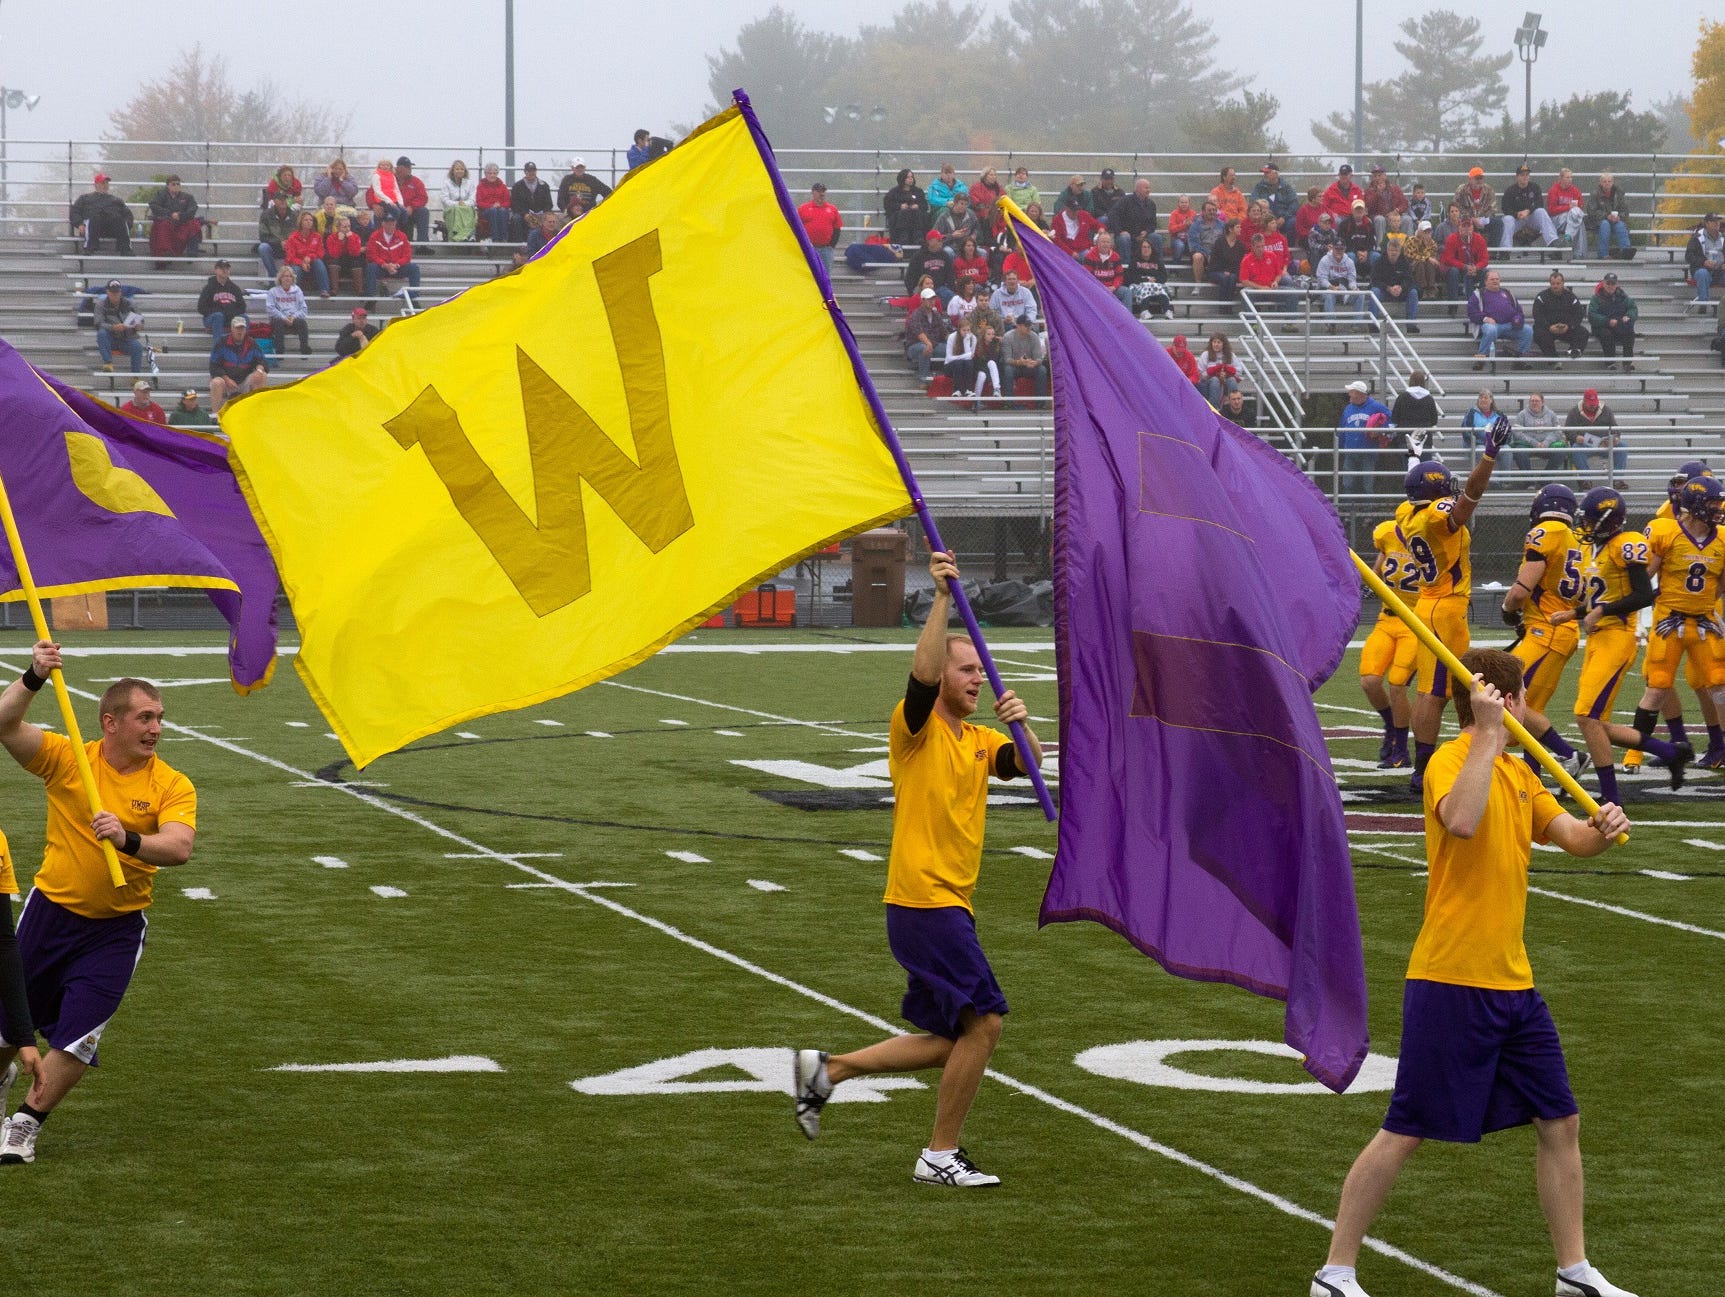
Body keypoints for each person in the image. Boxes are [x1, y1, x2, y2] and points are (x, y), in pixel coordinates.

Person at [1311, 648, 1635, 1297]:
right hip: (1450, 978)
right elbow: (1459, 820)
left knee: (1558, 1119)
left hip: (1512, 983)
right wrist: (1487, 734)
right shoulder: (1452, 763)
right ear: (1499, 701)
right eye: (1521, 701)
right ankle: (1334, 1270)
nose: (1527, 714)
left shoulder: (1518, 772)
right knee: (1406, 1129)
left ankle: (1573, 1272)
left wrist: (1602, 826)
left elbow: (1570, 836)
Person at [792, 551, 1041, 1188]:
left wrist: (1024, 724)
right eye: (966, 671)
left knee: (950, 1038)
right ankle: (938, 1155)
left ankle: (829, 1071)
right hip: (923, 901)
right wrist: (939, 599)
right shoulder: (917, 729)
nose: (974, 681)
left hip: (946, 904)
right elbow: (922, 677)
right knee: (986, 1023)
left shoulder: (979, 739)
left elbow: (1030, 767)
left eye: (978, 673)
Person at [0, 643, 198, 1167]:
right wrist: (35, 675)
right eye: (145, 716)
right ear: (111, 722)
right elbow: (3, 724)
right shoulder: (69, 759)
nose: (156, 728)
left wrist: (128, 838)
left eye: (159, 717)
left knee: (79, 1036)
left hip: (115, 930)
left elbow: (178, 847)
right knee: (8, 1026)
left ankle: (24, 1123)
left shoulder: (171, 784)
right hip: (49, 914)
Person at [1400, 428, 1511, 795]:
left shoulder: (1407, 512)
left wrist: (1414, 458)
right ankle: (1423, 769)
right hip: (1445, 608)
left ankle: (1423, 764)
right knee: (1435, 693)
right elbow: (1470, 497)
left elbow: (1420, 488)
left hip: (1429, 605)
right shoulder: (1435, 515)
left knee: (1432, 691)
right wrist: (1489, 456)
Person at [1570, 487, 1687, 803]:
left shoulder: (1628, 544)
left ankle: (1611, 797)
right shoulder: (1597, 548)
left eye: (1592, 520)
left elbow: (1643, 595)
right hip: (1598, 638)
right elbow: (1602, 596)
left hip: (1617, 639)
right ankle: (1671, 752)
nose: (1586, 526)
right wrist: (1572, 612)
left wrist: (1601, 611)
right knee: (1596, 722)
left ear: (1608, 520)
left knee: (1585, 717)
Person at [1629, 475, 1725, 782]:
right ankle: (1634, 751)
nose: (1718, 509)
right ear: (1696, 504)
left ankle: (1721, 746)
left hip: (1704, 622)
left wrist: (1706, 606)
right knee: (1657, 686)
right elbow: (1645, 579)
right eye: (1712, 503)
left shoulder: (1722, 536)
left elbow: (1721, 583)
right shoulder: (1666, 532)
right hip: (1670, 621)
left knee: (1720, 685)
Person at [1500, 485, 1591, 775]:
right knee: (1529, 708)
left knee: (1506, 699)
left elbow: (1520, 591)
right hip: (1563, 632)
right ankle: (1532, 778)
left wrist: (1507, 610)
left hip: (1545, 632)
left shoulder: (1546, 533)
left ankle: (1570, 755)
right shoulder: (1579, 540)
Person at [1361, 517, 1421, 768]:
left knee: (1397, 685)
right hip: (1387, 619)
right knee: (1370, 680)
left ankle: (1401, 748)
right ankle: (1390, 725)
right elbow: (1378, 570)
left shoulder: (1433, 539)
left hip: (1416, 624)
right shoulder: (1387, 533)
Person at [1468, 270, 1533, 369]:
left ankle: (1520, 359)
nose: (1495, 281)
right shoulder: (1478, 294)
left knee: (1527, 330)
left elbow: (1519, 312)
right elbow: (1472, 313)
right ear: (1485, 282)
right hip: (1492, 325)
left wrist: (1517, 319)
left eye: (1497, 279)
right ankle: (1480, 359)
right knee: (1490, 330)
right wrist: (1485, 318)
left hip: (1509, 326)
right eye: (1492, 279)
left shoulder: (1508, 293)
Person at [1337, 380, 1391, 497]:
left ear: (1359, 394)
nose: (1349, 395)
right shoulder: (1348, 408)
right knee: (1347, 484)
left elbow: (1391, 421)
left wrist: (1380, 431)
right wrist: (1340, 447)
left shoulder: (1376, 406)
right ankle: (1348, 512)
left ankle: (1368, 512)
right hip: (1350, 451)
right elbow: (1342, 428)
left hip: (1368, 451)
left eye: (1351, 392)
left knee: (1368, 484)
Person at [208, 316, 268, 411]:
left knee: (262, 375)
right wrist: (226, 379)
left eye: (242, 328)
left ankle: (258, 410)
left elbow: (262, 360)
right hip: (226, 382)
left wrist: (259, 369)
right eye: (237, 328)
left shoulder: (252, 343)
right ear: (232, 328)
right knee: (216, 382)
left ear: (246, 329)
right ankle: (215, 414)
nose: (240, 331)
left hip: (244, 381)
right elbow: (213, 366)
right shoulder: (221, 343)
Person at [1565, 389, 1622, 488]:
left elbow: (1615, 429)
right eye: (1590, 404)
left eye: (1594, 403)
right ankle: (1586, 480)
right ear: (1584, 401)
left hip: (1604, 444)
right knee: (1576, 448)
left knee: (1622, 446)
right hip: (1585, 444)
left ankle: (1617, 480)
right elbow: (1568, 431)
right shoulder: (1574, 412)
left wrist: (1615, 438)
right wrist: (1576, 437)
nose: (1593, 406)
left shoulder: (1606, 410)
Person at [69, 174, 132, 254]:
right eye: (102, 183)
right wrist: (79, 224)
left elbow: (128, 214)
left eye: (106, 183)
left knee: (119, 219)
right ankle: (89, 247)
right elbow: (74, 211)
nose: (105, 185)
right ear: (95, 185)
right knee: (94, 219)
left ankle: (125, 249)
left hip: (111, 229)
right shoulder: (84, 198)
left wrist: (127, 224)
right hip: (93, 228)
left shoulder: (116, 200)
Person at [1532, 271, 1589, 359]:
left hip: (1566, 329)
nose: (1555, 286)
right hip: (1548, 329)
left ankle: (1573, 352)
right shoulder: (1541, 297)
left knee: (1583, 332)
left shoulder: (1570, 296)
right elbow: (1537, 315)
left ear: (1563, 283)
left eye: (1558, 283)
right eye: (1553, 283)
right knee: (1538, 334)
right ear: (1550, 284)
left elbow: (1579, 313)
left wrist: (1569, 326)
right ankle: (1554, 359)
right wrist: (1548, 327)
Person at [92, 280, 145, 374]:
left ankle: (136, 375)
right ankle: (108, 362)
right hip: (110, 338)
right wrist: (113, 327)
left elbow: (140, 319)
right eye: (112, 292)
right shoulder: (100, 304)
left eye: (117, 292)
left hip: (127, 338)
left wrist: (139, 326)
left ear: (120, 292)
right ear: (107, 292)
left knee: (137, 347)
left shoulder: (130, 304)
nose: (115, 295)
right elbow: (98, 323)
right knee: (102, 333)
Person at [1500, 164, 1558, 248]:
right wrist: (1517, 214)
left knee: (1541, 212)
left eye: (1527, 175)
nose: (1525, 177)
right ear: (1517, 176)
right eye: (1522, 175)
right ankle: (1505, 249)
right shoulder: (1510, 190)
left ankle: (1552, 243)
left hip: (1531, 218)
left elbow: (1540, 203)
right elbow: (1505, 208)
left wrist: (1528, 211)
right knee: (1507, 219)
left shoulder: (1535, 187)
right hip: (1517, 220)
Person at [1588, 272, 1637, 370]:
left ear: (1616, 284)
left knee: (1630, 333)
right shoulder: (1596, 298)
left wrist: (1628, 316)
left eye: (1613, 284)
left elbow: (1633, 309)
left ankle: (1627, 362)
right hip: (1602, 326)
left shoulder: (1623, 297)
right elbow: (1592, 315)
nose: (1610, 286)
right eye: (1608, 283)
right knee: (1606, 334)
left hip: (1618, 324)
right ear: (1603, 283)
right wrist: (1607, 321)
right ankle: (1610, 362)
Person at [146, 175, 201, 262]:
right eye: (173, 184)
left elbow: (192, 210)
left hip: (181, 223)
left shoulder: (188, 197)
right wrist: (170, 214)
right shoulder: (161, 195)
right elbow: (154, 206)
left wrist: (180, 215)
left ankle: (192, 253)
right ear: (168, 186)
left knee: (193, 224)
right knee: (162, 225)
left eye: (178, 184)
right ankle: (164, 253)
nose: (176, 186)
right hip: (167, 222)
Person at [364, 213, 421, 296]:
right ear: (383, 223)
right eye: (388, 224)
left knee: (414, 268)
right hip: (381, 268)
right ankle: (370, 296)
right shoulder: (375, 236)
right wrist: (384, 265)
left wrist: (396, 265)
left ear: (395, 223)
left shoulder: (402, 236)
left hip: (397, 268)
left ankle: (414, 294)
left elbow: (407, 256)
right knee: (371, 268)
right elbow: (371, 255)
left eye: (392, 224)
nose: (390, 226)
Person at [1369, 239, 1419, 331]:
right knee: (1374, 291)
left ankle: (1411, 325)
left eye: (1396, 251)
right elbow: (1375, 280)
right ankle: (1373, 324)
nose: (1393, 253)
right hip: (1384, 292)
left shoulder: (1405, 262)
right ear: (1387, 250)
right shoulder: (1379, 262)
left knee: (1413, 292)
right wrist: (1388, 288)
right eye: (1391, 250)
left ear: (1400, 252)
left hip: (1400, 292)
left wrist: (1401, 288)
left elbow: (1409, 279)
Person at [1105, 178, 1160, 260]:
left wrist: (1147, 232)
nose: (1148, 190)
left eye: (1149, 188)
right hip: (1127, 236)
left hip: (1143, 237)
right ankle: (1126, 269)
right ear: (1138, 189)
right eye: (1146, 188)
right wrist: (1120, 231)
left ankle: (1157, 268)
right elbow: (1113, 215)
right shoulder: (1125, 200)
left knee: (1156, 237)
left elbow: (1153, 223)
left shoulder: (1151, 204)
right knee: (1124, 239)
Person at [903, 289, 949, 385]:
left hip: (934, 345)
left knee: (952, 349)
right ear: (922, 300)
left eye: (933, 299)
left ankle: (948, 380)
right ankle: (923, 380)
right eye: (929, 299)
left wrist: (953, 343)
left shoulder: (936, 315)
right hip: (915, 346)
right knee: (924, 348)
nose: (932, 301)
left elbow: (944, 332)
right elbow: (919, 332)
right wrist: (928, 343)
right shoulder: (916, 315)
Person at [1390, 372, 1439, 464]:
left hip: (1406, 439)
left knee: (1409, 468)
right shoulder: (1429, 398)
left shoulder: (1402, 397)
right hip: (1424, 439)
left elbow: (1394, 418)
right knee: (1424, 469)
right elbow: (1434, 420)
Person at [795, 182, 843, 274]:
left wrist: (831, 245)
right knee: (808, 274)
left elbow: (837, 228)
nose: (822, 194)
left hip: (825, 249)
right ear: (813, 192)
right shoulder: (803, 209)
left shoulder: (832, 209)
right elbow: (796, 227)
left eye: (823, 191)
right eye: (819, 191)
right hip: (808, 248)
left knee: (825, 275)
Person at [1440, 214, 1489, 301]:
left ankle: (1482, 300)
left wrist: (1476, 267)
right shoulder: (1452, 239)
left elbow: (1485, 259)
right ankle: (1453, 304)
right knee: (1453, 272)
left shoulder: (1479, 239)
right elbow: (1448, 259)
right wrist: (1464, 266)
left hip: (1474, 269)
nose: (1467, 229)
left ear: (1472, 228)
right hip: (1458, 270)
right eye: (1464, 226)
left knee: (1486, 272)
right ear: (1459, 227)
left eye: (1469, 226)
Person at [264, 267, 311, 357]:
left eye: (290, 276)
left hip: (293, 317)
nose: (287, 278)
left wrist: (293, 317)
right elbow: (270, 308)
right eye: (285, 276)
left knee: (302, 323)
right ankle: (280, 350)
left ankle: (304, 348)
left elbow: (304, 308)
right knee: (278, 323)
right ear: (280, 278)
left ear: (293, 278)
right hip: (279, 318)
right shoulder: (273, 291)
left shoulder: (297, 291)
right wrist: (283, 317)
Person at [1514, 393, 1567, 473]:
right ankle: (1529, 482)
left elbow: (1558, 431)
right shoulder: (1522, 414)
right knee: (1519, 451)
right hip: (1528, 445)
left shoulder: (1551, 414)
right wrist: (1534, 443)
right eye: (1532, 401)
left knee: (1561, 452)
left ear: (1542, 402)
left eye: (1537, 401)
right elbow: (1517, 433)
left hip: (1547, 445)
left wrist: (1546, 442)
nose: (1534, 403)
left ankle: (1544, 481)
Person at [283, 211, 330, 297]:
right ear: (301, 222)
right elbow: (290, 257)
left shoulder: (317, 236)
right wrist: (302, 263)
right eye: (306, 220)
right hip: (296, 264)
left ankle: (324, 290)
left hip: (312, 264)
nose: (309, 222)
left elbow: (321, 253)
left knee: (318, 262)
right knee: (296, 270)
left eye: (311, 220)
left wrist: (310, 257)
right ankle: (292, 293)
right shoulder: (293, 237)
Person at [1587, 171, 1631, 261]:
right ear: (1600, 183)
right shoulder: (1595, 194)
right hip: (1599, 221)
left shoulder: (1619, 193)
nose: (1607, 183)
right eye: (1604, 181)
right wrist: (1607, 216)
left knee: (1620, 225)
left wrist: (1619, 217)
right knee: (1605, 225)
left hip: (1615, 220)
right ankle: (1603, 254)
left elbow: (1625, 210)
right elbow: (1591, 212)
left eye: (1609, 181)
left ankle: (1626, 252)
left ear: (1613, 182)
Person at [1079, 231, 1130, 309]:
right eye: (1103, 242)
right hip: (1096, 289)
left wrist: (1114, 287)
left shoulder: (1116, 256)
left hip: (1112, 288)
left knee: (1126, 292)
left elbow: (1119, 276)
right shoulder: (1089, 256)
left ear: (1111, 244)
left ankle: (1127, 319)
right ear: (1097, 243)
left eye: (1107, 242)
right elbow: (1087, 277)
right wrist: (1100, 288)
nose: (1105, 244)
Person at [1316, 242, 1361, 328]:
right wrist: (1331, 287)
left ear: (1344, 249)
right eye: (1336, 249)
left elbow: (1352, 280)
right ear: (1332, 248)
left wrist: (1354, 288)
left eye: (1341, 249)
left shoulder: (1349, 262)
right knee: (1330, 294)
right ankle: (1331, 324)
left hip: (1344, 290)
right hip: (1326, 289)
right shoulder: (1324, 260)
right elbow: (1321, 279)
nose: (1339, 251)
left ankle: (1357, 325)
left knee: (1360, 294)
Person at [1455, 166, 1503, 246]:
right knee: (1462, 224)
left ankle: (1492, 252)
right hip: (1467, 220)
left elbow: (1493, 208)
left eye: (1481, 178)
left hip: (1483, 220)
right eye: (1477, 178)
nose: (1479, 181)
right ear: (1470, 179)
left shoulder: (1488, 190)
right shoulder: (1461, 190)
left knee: (1498, 223)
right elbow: (1457, 207)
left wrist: (1482, 220)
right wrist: (1472, 219)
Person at [1003, 313, 1047, 399]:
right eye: (1026, 325)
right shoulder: (1008, 337)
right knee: (1007, 369)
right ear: (1018, 326)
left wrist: (1035, 363)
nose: (1029, 327)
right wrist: (1019, 362)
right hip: (1014, 366)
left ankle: (1040, 403)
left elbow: (1039, 358)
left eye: (1030, 325)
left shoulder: (1034, 336)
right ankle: (1008, 403)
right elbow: (1006, 359)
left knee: (1042, 370)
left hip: (1029, 366)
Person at [1685, 212, 1724, 304]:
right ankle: (1703, 303)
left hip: (1720, 271)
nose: (1717, 223)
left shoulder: (1723, 238)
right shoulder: (1697, 238)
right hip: (1701, 269)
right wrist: (1704, 262)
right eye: (1713, 221)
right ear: (1706, 223)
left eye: (1718, 221)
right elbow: (1689, 256)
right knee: (1703, 274)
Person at [1361, 165, 1407, 242]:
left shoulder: (1395, 188)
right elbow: (1368, 207)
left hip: (1394, 216)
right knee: (1380, 219)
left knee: (1407, 219)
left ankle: (1406, 246)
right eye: (1375, 176)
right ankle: (1381, 246)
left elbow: (1404, 203)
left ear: (1385, 176)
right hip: (1378, 216)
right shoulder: (1369, 191)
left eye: (1380, 175)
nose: (1377, 178)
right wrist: (1378, 194)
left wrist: (1396, 211)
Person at [257, 191, 296, 280]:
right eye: (280, 199)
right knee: (263, 247)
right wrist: (279, 243)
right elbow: (263, 236)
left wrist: (289, 243)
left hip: (291, 247)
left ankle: (293, 282)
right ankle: (275, 279)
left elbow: (299, 234)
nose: (283, 201)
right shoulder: (266, 215)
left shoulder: (294, 215)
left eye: (285, 199)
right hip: (274, 247)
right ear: (274, 201)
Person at [1547, 168, 1588, 254]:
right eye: (1567, 177)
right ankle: (1579, 253)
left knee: (1577, 217)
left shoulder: (1575, 191)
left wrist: (1573, 209)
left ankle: (1568, 237)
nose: (1570, 179)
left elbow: (1580, 207)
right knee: (1577, 220)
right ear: (1561, 178)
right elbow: (1551, 210)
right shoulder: (1554, 190)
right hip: (1557, 220)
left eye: (1571, 177)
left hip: (1570, 220)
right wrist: (1568, 207)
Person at [509, 162, 553, 240]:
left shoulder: (544, 185)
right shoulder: (517, 186)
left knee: (551, 219)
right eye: (529, 171)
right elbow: (514, 204)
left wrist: (541, 214)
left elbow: (549, 204)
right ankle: (519, 245)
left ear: (536, 171)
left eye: (533, 171)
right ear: (525, 172)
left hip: (540, 214)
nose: (531, 173)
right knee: (516, 218)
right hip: (523, 215)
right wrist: (525, 214)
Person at [324, 215, 365, 297]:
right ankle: (334, 290)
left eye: (349, 226)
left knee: (357, 262)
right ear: (338, 228)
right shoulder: (331, 237)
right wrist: (339, 241)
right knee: (333, 261)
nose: (348, 229)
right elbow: (334, 254)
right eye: (344, 227)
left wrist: (351, 239)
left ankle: (360, 290)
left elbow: (355, 253)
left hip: (350, 261)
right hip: (338, 262)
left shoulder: (355, 237)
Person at [391, 157, 430, 242]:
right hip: (394, 210)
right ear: (398, 168)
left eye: (410, 167)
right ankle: (382, 243)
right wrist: (374, 204)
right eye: (407, 167)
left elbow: (423, 197)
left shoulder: (416, 182)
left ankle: (422, 245)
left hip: (411, 212)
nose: (410, 169)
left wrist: (412, 206)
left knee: (423, 211)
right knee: (381, 214)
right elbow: (372, 192)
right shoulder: (389, 179)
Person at [1186, 199, 1226, 284]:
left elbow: (1225, 241)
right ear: (1203, 212)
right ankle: (1198, 284)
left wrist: (1214, 253)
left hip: (1217, 252)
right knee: (1197, 257)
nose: (1212, 212)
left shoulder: (1222, 225)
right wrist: (1208, 253)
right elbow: (1194, 244)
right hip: (1201, 252)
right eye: (1209, 210)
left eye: (1214, 210)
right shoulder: (1195, 225)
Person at [1205, 219, 1245, 300]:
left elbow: (1239, 263)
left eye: (1240, 227)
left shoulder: (1240, 245)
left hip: (1233, 272)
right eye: (1237, 227)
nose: (1240, 229)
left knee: (1232, 277)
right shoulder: (1219, 242)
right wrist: (1224, 271)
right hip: (1217, 271)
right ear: (1230, 229)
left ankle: (1229, 304)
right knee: (1224, 277)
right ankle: (1223, 305)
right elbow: (1214, 260)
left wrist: (1229, 271)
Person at [1251, 163, 1297, 229]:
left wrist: (1284, 217)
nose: (1265, 175)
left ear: (1276, 174)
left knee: (1293, 222)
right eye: (1264, 173)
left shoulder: (1286, 187)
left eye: (1267, 173)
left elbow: (1294, 204)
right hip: (1264, 218)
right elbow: (1253, 200)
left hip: (1283, 218)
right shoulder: (1259, 187)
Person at [1196, 332, 1237, 406]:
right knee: (1215, 380)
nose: (1216, 344)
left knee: (1232, 380)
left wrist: (1227, 374)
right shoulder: (1206, 354)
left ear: (1223, 344)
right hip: (1208, 384)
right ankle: (1214, 408)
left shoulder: (1230, 355)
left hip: (1225, 381)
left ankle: (1232, 406)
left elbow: (1239, 371)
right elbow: (1200, 373)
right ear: (1211, 343)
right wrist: (1216, 374)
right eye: (1214, 342)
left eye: (1219, 342)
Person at [1458, 390, 1499, 464]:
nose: (1483, 400)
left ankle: (1506, 475)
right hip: (1475, 444)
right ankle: (1483, 475)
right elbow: (1466, 433)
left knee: (1506, 449)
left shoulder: (1498, 414)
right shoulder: (1471, 413)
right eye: (1481, 398)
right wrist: (1484, 442)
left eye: (1486, 398)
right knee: (1482, 449)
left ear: (1491, 400)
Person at [1403, 220, 1440, 299]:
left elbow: (1432, 256)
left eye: (1429, 231)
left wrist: (1426, 246)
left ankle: (1430, 289)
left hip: (1427, 266)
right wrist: (1426, 258)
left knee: (1429, 264)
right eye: (1425, 231)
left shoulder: (1432, 243)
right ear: (1419, 231)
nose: (1427, 234)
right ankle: (1422, 289)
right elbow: (1410, 255)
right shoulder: (1411, 240)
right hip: (1412, 265)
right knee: (1420, 263)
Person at [442, 161, 477, 243]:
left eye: (462, 169)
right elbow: (444, 200)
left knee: (469, 210)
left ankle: (468, 236)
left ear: (465, 171)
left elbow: (473, 199)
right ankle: (461, 236)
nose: (460, 171)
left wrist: (464, 204)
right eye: (457, 169)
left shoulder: (470, 183)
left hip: (466, 208)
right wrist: (457, 204)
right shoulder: (446, 183)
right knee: (458, 210)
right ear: (453, 171)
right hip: (451, 210)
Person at [476, 163, 512, 242]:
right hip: (485, 211)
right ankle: (495, 238)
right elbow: (479, 202)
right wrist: (491, 206)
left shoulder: (503, 186)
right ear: (485, 174)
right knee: (493, 211)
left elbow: (508, 202)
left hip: (500, 209)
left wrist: (499, 205)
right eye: (490, 173)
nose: (492, 175)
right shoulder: (481, 186)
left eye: (494, 173)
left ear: (497, 174)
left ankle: (503, 238)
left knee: (501, 210)